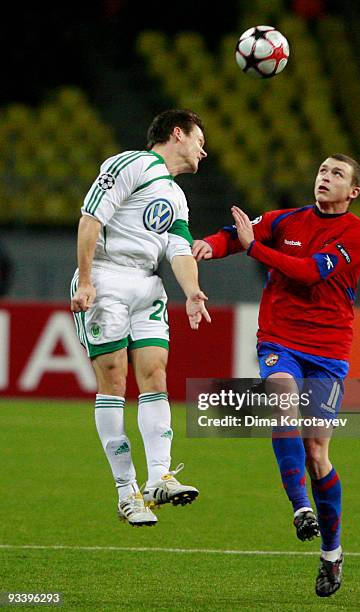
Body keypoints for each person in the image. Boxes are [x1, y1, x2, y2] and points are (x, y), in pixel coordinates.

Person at [193, 154, 360, 597]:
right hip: (280, 339)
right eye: (321, 171)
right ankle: (300, 509)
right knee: (280, 398)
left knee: (317, 453)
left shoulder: (358, 233)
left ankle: (331, 553)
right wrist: (206, 247)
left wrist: (254, 247)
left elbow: (311, 273)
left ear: (353, 191)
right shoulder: (286, 220)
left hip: (330, 350)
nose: (324, 178)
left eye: (336, 175)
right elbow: (234, 236)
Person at [71, 109, 210, 528]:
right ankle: (126, 492)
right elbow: (91, 218)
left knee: (155, 374)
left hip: (147, 284)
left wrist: (192, 293)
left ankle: (158, 478)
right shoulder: (130, 163)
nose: (204, 149)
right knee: (113, 378)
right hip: (107, 277)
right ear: (177, 133)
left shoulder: (178, 196)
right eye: (199, 139)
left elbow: (180, 250)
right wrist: (87, 279)